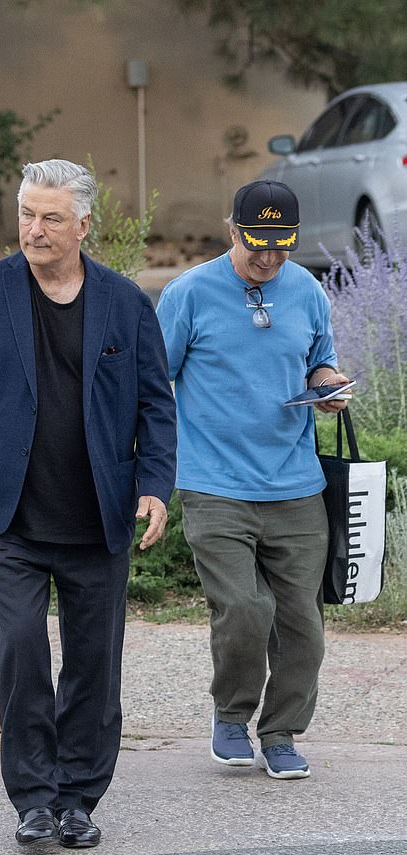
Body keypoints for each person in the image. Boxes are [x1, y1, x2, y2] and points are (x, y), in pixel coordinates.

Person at [0, 159, 176, 846]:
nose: (33, 229)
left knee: (95, 659)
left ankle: (79, 798)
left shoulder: (125, 303)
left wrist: (154, 485)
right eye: (27, 214)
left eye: (51, 218)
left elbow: (156, 404)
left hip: (99, 515)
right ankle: (32, 796)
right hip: (10, 516)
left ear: (83, 225)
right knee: (24, 650)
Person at [157, 180, 351, 781]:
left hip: (296, 486)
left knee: (302, 625)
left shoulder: (307, 290)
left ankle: (282, 732)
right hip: (214, 483)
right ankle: (232, 716)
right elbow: (151, 382)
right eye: (256, 244)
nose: (268, 258)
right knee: (243, 608)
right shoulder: (189, 293)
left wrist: (327, 385)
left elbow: (320, 356)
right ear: (231, 229)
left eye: (282, 246)